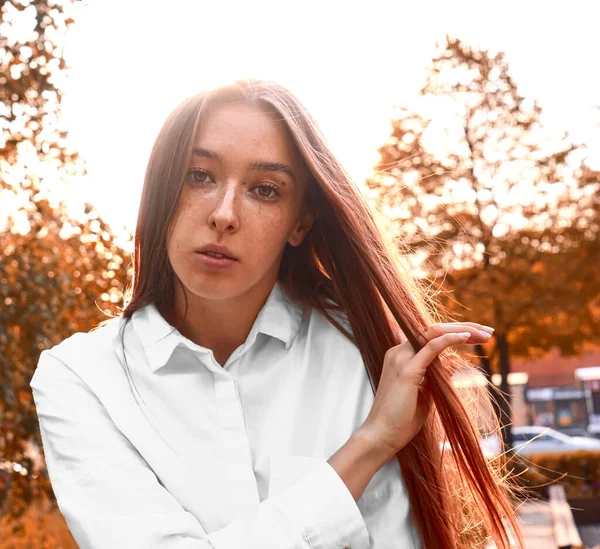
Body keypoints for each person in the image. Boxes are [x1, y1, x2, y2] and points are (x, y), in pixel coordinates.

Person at [30, 78, 525, 549]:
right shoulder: (80, 378)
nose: (224, 213)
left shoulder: (368, 353)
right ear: (162, 192)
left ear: (300, 222)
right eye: (198, 176)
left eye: (265, 189)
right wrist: (369, 445)